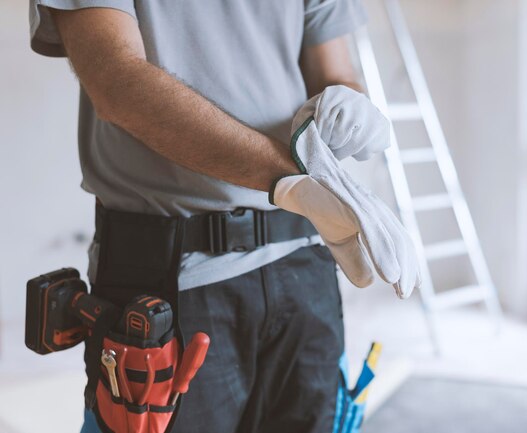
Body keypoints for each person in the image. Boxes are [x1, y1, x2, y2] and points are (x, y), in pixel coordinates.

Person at [28, 1, 417, 432]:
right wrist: (295, 182)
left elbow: (334, 71)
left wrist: (350, 107)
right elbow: (115, 77)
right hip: (172, 278)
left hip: (304, 257)